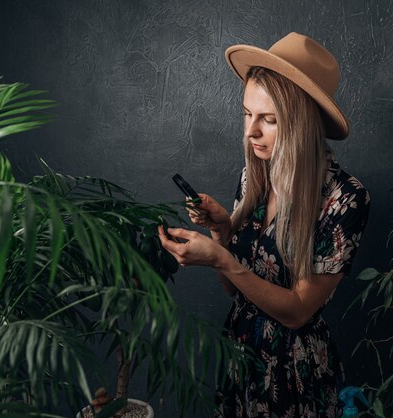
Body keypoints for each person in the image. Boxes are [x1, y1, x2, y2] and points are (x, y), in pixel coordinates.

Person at [157, 32, 370, 418]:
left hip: (295, 373)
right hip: (241, 358)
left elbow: (297, 311)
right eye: (246, 114)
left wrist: (221, 259)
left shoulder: (345, 198)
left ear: (302, 122)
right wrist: (222, 232)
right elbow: (235, 292)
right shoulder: (253, 177)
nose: (250, 131)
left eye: (268, 120)